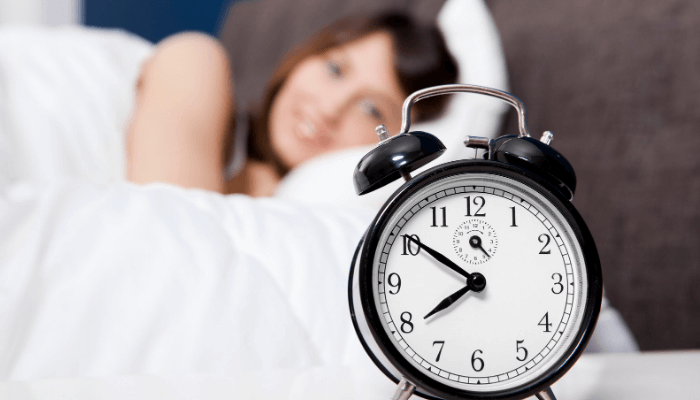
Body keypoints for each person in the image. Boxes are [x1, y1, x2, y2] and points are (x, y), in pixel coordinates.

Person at [125, 13, 458, 196]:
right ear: (305, 56)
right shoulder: (197, 62)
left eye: (371, 109)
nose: (330, 108)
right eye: (335, 68)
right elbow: (165, 232)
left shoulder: (304, 233)